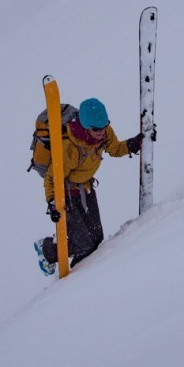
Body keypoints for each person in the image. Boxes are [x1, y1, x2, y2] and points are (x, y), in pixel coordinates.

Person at [34, 97, 148, 275]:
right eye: (97, 130)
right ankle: (47, 249)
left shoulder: (103, 131)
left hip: (86, 188)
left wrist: (133, 144)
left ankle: (83, 277)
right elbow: (51, 178)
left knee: (95, 238)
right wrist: (52, 202)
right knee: (82, 244)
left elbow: (114, 148)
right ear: (86, 127)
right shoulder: (69, 148)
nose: (102, 133)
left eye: (104, 127)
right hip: (66, 194)